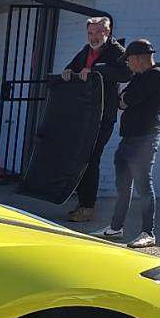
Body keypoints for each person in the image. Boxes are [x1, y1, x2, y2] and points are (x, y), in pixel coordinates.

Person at [98, 38, 160, 248]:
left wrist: (125, 98)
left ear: (138, 58)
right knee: (123, 186)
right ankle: (115, 228)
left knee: (144, 186)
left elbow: (126, 100)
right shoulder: (139, 77)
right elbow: (122, 101)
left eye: (128, 59)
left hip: (144, 139)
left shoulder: (156, 76)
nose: (127, 64)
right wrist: (125, 98)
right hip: (129, 138)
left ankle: (148, 233)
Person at [60, 16, 127, 222]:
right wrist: (68, 71)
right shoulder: (85, 51)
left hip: (102, 117)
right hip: (83, 115)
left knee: (91, 159)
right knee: (79, 158)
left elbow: (125, 73)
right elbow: (73, 66)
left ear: (107, 32)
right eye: (90, 33)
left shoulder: (117, 52)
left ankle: (88, 207)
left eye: (98, 33)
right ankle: (81, 202)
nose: (94, 37)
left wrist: (96, 70)